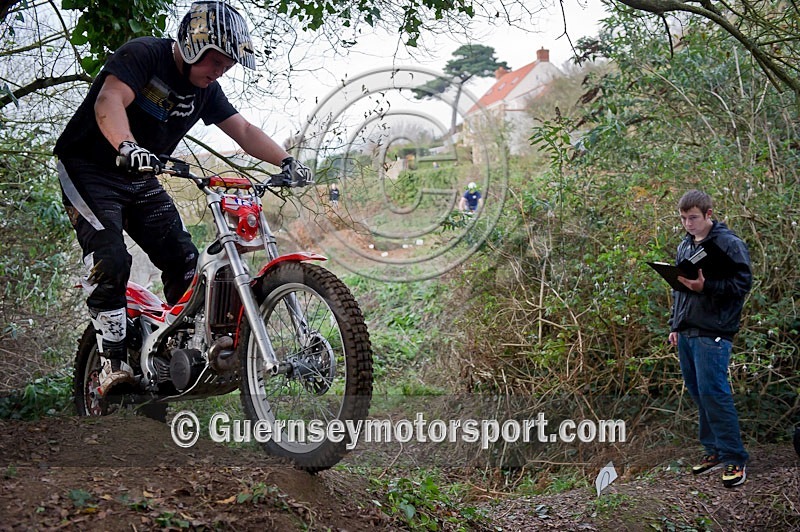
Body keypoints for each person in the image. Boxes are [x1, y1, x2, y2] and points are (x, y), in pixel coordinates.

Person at [54, 1, 310, 396]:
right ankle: (112, 364)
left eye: (228, 65)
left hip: (140, 176)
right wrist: (127, 145)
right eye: (216, 61)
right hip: (89, 168)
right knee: (111, 258)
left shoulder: (206, 91)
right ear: (193, 43)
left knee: (185, 261)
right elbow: (109, 100)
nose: (220, 71)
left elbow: (243, 129)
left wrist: (287, 161)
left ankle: (180, 351)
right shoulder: (144, 54)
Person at [667, 190, 752, 488]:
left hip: (714, 330)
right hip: (687, 330)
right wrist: (675, 325)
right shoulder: (685, 245)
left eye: (693, 218)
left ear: (708, 214)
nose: (688, 224)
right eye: (683, 218)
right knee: (698, 392)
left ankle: (734, 457)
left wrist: (707, 287)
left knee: (714, 392)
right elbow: (679, 289)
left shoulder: (729, 243)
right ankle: (713, 450)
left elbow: (742, 284)